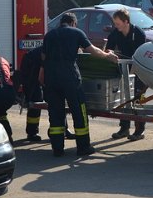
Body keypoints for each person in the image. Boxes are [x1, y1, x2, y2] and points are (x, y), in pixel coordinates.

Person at [40, 12, 118, 157]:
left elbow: (43, 57)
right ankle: (83, 147)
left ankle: (57, 149)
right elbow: (92, 50)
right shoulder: (76, 32)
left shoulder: (49, 35)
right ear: (74, 23)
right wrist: (108, 56)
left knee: (56, 113)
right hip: (70, 77)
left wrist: (43, 74)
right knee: (79, 111)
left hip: (52, 78)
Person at [105, 8, 148, 141]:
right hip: (124, 70)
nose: (115, 26)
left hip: (139, 70)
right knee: (124, 99)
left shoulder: (138, 33)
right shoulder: (116, 33)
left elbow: (141, 55)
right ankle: (124, 128)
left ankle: (139, 130)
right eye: (115, 23)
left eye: (117, 23)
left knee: (138, 99)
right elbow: (107, 49)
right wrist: (109, 54)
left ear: (126, 22)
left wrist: (133, 73)